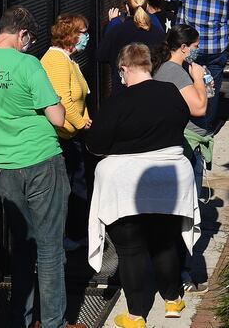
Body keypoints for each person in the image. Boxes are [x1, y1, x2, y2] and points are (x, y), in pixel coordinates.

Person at [0, 6, 70, 328]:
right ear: (22, 34)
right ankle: (52, 322)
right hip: (41, 159)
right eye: (30, 40)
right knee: (50, 248)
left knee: (23, 245)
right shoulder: (28, 64)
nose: (29, 45)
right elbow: (58, 118)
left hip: (1, 164)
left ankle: (19, 319)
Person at [87, 43, 198, 328]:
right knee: (165, 241)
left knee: (131, 249)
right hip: (170, 177)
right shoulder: (170, 92)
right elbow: (182, 120)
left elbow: (96, 144)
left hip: (125, 183)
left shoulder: (117, 101)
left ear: (124, 68)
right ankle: (172, 299)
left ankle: (136, 316)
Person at [163, 0, 229, 131]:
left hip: (189, 50)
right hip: (216, 50)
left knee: (187, 84)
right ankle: (206, 126)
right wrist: (224, 47)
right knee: (211, 88)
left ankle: (190, 123)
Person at [41, 13, 93, 251]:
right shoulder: (56, 60)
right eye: (83, 32)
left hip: (72, 135)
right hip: (62, 136)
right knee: (67, 188)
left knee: (77, 185)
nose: (86, 37)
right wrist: (80, 123)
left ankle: (76, 234)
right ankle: (66, 237)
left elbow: (80, 95)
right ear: (71, 35)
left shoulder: (68, 60)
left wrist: (84, 118)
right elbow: (62, 99)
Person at [151, 25, 210, 192]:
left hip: (186, 140)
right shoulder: (173, 71)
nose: (197, 50)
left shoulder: (175, 67)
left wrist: (202, 85)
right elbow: (199, 108)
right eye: (195, 46)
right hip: (186, 143)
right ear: (184, 47)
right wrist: (198, 79)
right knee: (190, 196)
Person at [101, 0, 166, 94]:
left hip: (123, 88)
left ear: (127, 7)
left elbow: (102, 55)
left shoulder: (117, 29)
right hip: (151, 87)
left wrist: (112, 23)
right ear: (147, 6)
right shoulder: (156, 30)